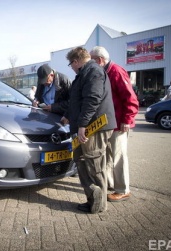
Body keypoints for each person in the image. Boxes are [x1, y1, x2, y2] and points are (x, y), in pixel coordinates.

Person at [61, 47, 116, 213]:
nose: (71, 67)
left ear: (76, 61)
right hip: (85, 126)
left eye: (70, 64)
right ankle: (92, 199)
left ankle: (99, 205)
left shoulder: (93, 72)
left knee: (93, 164)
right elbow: (77, 100)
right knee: (82, 162)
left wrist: (83, 125)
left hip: (94, 127)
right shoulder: (84, 74)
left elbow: (92, 99)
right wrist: (67, 115)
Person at [90, 46, 139, 202]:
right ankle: (111, 184)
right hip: (109, 124)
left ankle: (123, 190)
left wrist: (127, 119)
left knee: (118, 157)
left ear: (99, 60)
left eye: (91, 60)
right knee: (109, 157)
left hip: (119, 124)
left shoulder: (116, 71)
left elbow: (130, 98)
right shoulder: (104, 72)